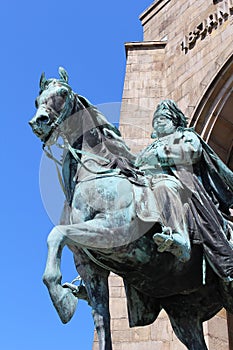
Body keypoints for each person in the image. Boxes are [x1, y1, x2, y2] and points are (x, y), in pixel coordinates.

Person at [136, 99, 233, 281]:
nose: (158, 122)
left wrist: (160, 155)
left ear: (175, 122)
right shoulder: (147, 148)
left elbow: (192, 151)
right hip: (144, 184)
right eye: (156, 119)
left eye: (163, 118)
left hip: (177, 182)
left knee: (165, 186)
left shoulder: (185, 136)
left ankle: (179, 236)